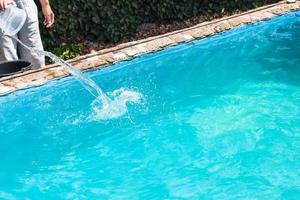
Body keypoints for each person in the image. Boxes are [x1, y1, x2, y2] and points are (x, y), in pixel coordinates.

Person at [0, 0, 54, 69]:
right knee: (7, 56)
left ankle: (39, 78)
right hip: (2, 9)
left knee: (34, 55)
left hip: (26, 3)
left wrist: (45, 5)